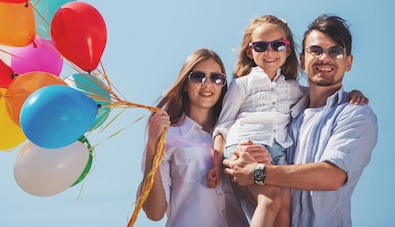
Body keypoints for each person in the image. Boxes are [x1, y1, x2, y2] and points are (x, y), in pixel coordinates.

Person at [208, 15, 367, 227]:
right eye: (261, 46)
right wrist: (216, 163)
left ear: (288, 50)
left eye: (277, 45)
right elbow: (224, 126)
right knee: (271, 201)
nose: (270, 52)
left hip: (277, 151)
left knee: (284, 210)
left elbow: (323, 95)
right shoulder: (242, 85)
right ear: (250, 51)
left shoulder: (294, 90)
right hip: (247, 145)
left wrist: (352, 93)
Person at [139, 48, 269, 227]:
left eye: (216, 78)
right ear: (185, 84)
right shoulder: (168, 137)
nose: (207, 84)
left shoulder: (237, 133)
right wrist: (152, 147)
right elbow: (154, 213)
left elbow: (258, 199)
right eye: (198, 76)